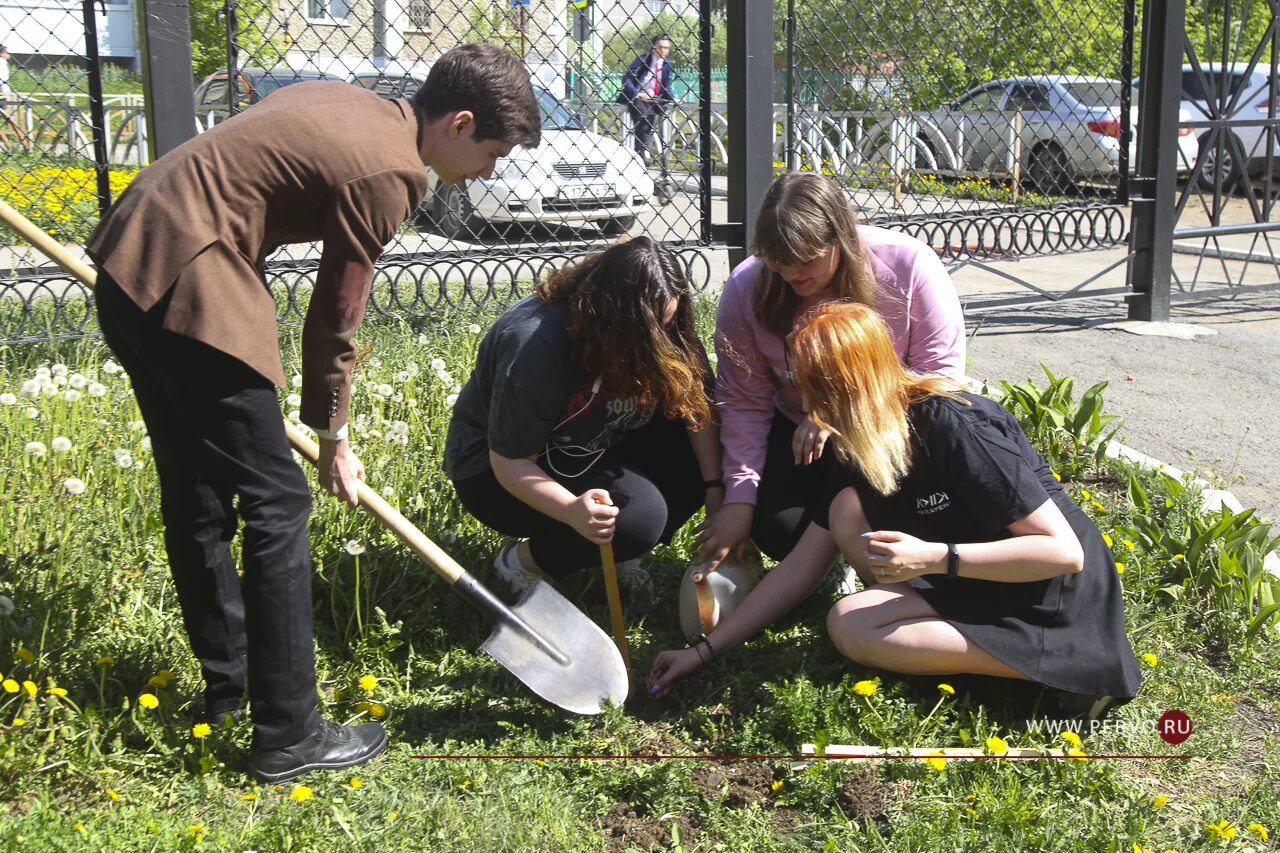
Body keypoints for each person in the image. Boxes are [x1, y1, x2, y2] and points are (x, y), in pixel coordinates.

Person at [87, 44, 541, 783]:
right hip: (192, 277)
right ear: (459, 123)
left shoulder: (348, 100)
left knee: (201, 496)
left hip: (132, 261)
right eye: (492, 153)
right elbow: (335, 319)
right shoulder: (393, 171)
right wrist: (335, 434)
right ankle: (290, 732)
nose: (490, 171)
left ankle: (231, 696)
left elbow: (241, 186)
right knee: (277, 499)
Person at [650, 303, 1142, 719]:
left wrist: (935, 558)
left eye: (810, 386)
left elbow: (1063, 554)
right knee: (848, 616)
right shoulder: (856, 439)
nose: (799, 399)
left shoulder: (954, 425)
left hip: (1049, 595)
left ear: (849, 384)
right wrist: (703, 652)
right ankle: (1000, 665)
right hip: (974, 583)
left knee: (859, 611)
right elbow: (799, 568)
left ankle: (1067, 670)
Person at [697, 171, 966, 576]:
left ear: (841, 236)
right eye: (779, 262)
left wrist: (842, 413)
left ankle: (867, 543)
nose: (793, 276)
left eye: (806, 260)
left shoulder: (909, 266)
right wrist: (739, 496)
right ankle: (833, 554)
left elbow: (939, 381)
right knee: (780, 530)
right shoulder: (747, 286)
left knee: (911, 516)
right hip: (802, 436)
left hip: (897, 426)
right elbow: (744, 400)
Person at [444, 237, 722, 599]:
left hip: (588, 444)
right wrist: (572, 510)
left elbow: (696, 409)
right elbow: (509, 461)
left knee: (699, 452)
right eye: (648, 332)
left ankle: (620, 552)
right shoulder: (534, 344)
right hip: (495, 474)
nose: (661, 341)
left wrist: (717, 493)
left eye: (667, 324)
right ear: (608, 314)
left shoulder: (664, 326)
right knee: (638, 519)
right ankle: (520, 563)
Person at [617, 34, 675, 165]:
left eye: (666, 48)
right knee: (644, 123)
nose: (663, 51)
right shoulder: (643, 59)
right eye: (660, 47)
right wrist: (637, 94)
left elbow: (666, 84)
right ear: (653, 47)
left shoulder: (666, 64)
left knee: (658, 125)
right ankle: (641, 155)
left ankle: (659, 158)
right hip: (639, 98)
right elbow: (627, 79)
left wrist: (673, 97)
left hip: (656, 100)